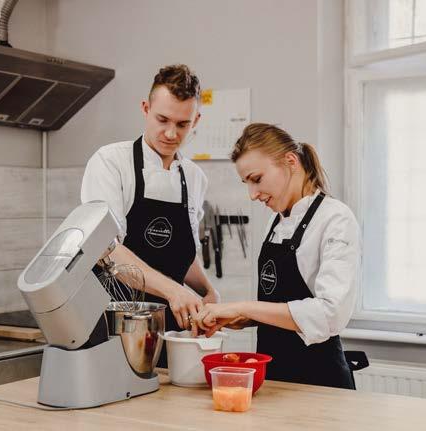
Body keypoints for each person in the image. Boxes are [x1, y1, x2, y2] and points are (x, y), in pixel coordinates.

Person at [194, 123, 360, 389]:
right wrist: (242, 318)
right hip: (274, 379)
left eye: (256, 179)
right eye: (246, 183)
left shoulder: (335, 218)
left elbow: (329, 314)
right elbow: (281, 306)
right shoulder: (275, 222)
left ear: (290, 161)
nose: (252, 195)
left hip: (319, 383)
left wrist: (242, 307)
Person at [81, 64, 219, 365]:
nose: (171, 133)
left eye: (183, 124)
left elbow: (182, 253)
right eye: (162, 120)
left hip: (169, 328)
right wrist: (173, 291)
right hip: (115, 323)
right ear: (145, 108)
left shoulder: (195, 178)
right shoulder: (110, 162)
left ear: (196, 120)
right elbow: (107, 250)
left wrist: (207, 290)